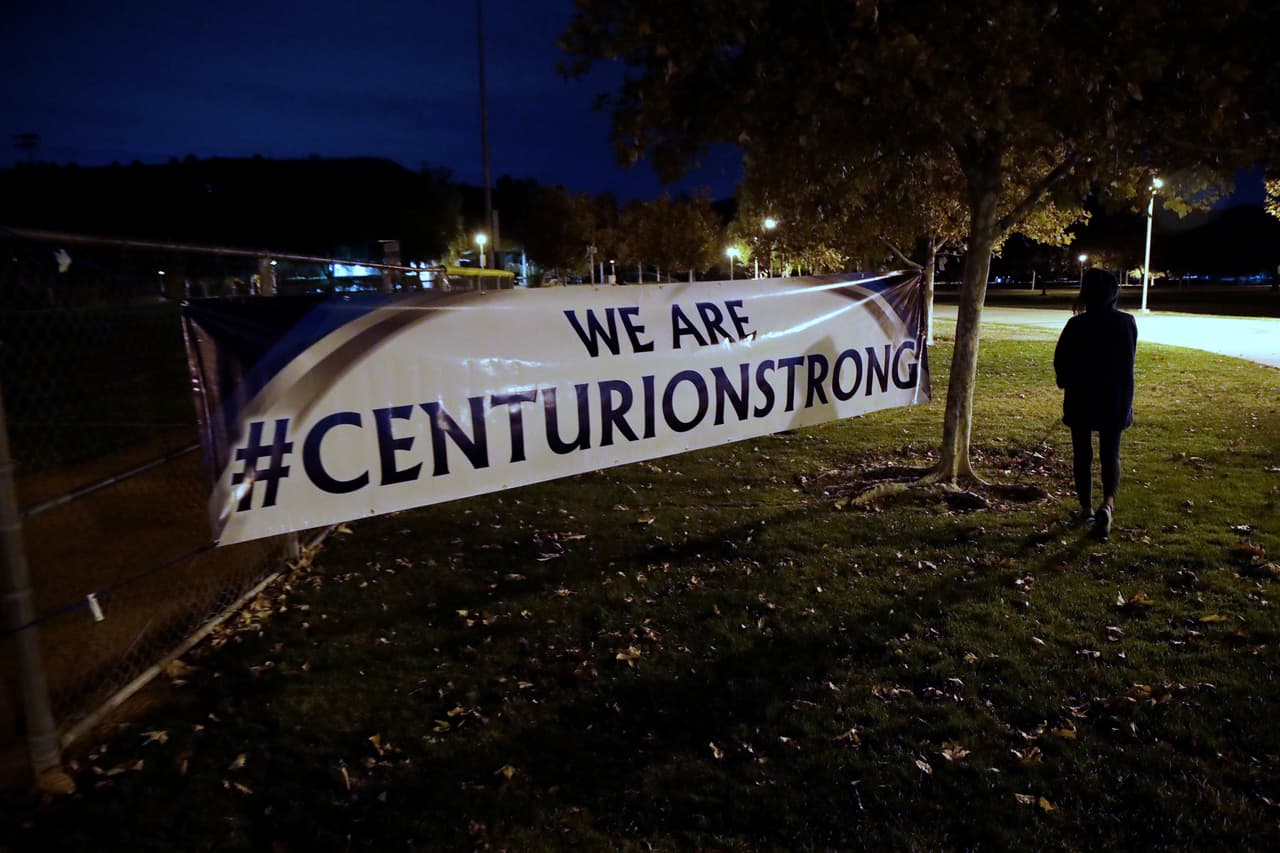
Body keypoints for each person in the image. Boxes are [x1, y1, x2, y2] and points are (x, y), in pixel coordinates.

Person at [1054, 269, 1138, 540]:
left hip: (1081, 398)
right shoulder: (1126, 323)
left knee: (1082, 453)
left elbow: (1061, 363)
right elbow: (1128, 360)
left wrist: (1065, 380)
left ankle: (1086, 508)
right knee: (1110, 453)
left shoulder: (1075, 325)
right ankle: (1108, 504)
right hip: (1114, 399)